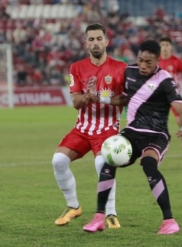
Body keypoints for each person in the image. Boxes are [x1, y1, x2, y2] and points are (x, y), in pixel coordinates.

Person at [82, 40, 182, 235]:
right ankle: (99, 217)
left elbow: (181, 111)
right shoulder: (129, 72)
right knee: (108, 160)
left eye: (148, 62)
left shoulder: (165, 80)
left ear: (157, 60)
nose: (143, 65)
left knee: (148, 164)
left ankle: (169, 221)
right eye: (140, 60)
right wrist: (100, 98)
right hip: (132, 132)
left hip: (156, 135)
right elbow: (124, 98)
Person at [51, 23, 127, 229]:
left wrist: (101, 100)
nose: (95, 43)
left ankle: (110, 213)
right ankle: (73, 206)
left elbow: (126, 99)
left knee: (101, 165)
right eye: (91, 39)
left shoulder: (121, 68)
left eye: (99, 38)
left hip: (108, 127)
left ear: (106, 41)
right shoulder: (77, 67)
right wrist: (87, 97)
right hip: (83, 128)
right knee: (58, 161)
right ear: (86, 43)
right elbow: (75, 102)